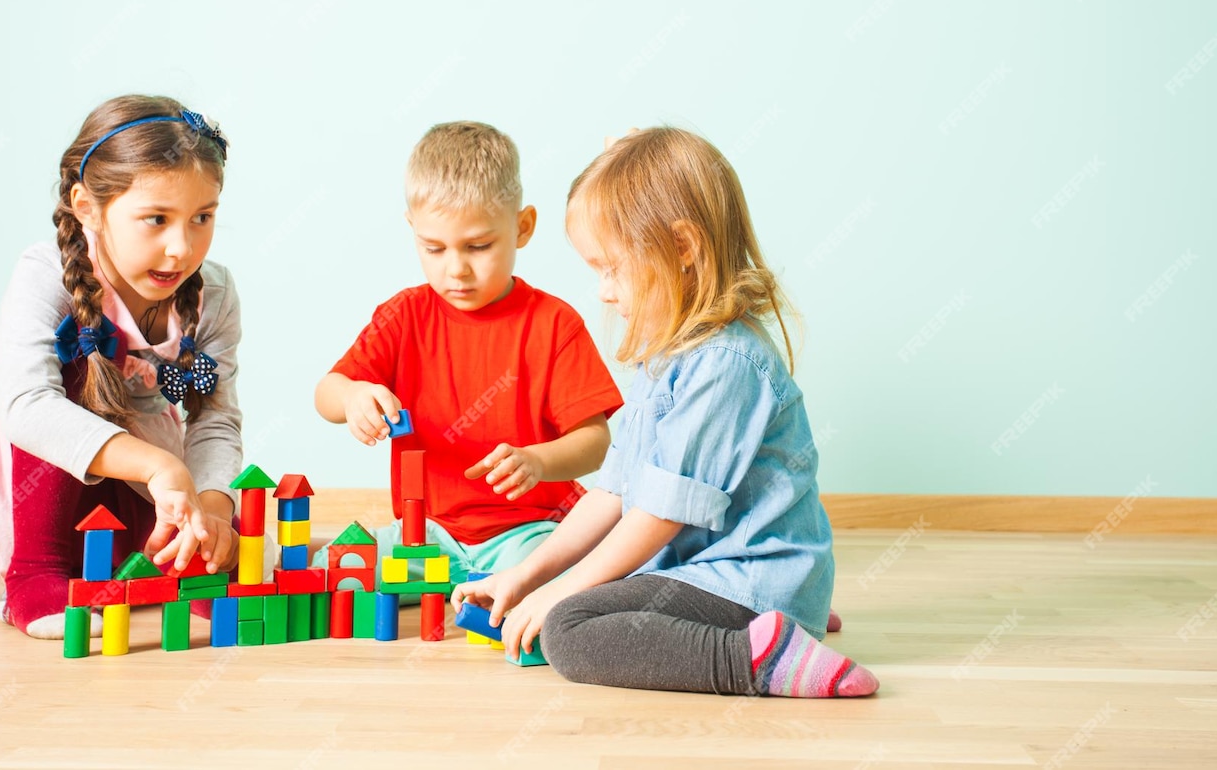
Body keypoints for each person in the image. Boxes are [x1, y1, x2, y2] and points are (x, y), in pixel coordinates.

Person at [453, 127, 876, 697]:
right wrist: (527, 576)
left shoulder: (725, 362)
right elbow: (611, 494)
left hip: (743, 575)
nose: (603, 292)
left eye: (611, 268)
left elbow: (658, 517)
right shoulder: (667, 357)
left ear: (681, 248)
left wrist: (559, 595)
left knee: (569, 630)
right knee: (578, 598)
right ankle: (773, 616)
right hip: (711, 571)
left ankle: (762, 656)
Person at [0, 96, 245, 639]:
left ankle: (173, 562)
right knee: (77, 364)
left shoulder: (217, 292)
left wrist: (210, 506)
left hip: (136, 493)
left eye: (202, 217)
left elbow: (216, 417)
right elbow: (27, 408)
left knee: (212, 556)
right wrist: (161, 468)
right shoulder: (46, 273)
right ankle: (36, 575)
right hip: (36, 494)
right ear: (87, 207)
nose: (181, 248)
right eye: (155, 219)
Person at [314, 121, 623, 585]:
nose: (456, 269)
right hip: (426, 535)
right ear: (412, 229)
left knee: (573, 573)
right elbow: (327, 394)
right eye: (433, 248)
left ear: (522, 227)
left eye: (478, 246)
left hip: (529, 531)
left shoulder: (554, 324)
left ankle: (502, 590)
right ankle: (471, 588)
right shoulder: (403, 316)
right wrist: (354, 396)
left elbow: (595, 442)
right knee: (330, 571)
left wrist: (539, 462)